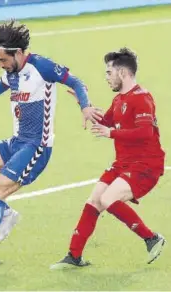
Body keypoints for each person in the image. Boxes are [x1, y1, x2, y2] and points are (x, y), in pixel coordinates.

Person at [0, 20, 102, 269]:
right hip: (16, 142)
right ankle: (5, 214)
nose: (1, 65)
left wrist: (84, 105)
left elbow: (75, 81)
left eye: (3, 60)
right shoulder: (12, 72)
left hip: (36, 148)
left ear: (19, 53)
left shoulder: (41, 67)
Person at [51, 47, 166, 270]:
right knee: (94, 200)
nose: (106, 77)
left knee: (108, 199)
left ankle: (152, 238)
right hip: (123, 163)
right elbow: (105, 123)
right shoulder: (120, 100)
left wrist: (111, 133)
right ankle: (74, 256)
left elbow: (145, 133)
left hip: (145, 165)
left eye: (109, 72)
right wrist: (83, 105)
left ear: (123, 73)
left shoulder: (142, 99)